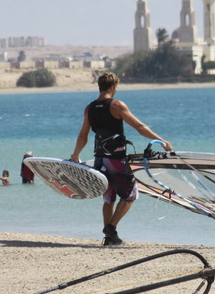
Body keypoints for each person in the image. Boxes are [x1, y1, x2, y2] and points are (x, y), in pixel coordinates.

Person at [71, 72, 172, 246]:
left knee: (108, 198)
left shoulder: (90, 108)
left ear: (100, 86)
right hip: (117, 160)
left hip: (100, 160)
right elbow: (140, 127)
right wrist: (162, 141)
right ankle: (111, 228)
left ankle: (109, 239)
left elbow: (83, 135)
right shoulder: (116, 105)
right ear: (112, 87)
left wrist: (75, 154)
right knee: (130, 195)